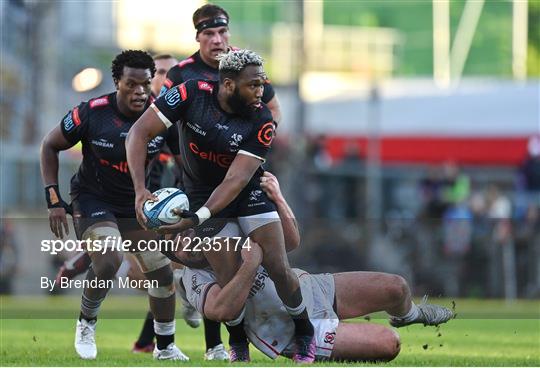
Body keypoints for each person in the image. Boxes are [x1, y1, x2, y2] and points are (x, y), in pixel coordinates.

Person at [126, 49, 316, 363]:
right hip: (200, 195)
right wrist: (139, 191)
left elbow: (235, 180)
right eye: (253, 86)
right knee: (228, 274)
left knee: (279, 265)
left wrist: (195, 219)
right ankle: (237, 340)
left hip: (246, 194)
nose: (261, 93)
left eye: (262, 85)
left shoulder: (262, 119)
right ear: (228, 85)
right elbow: (138, 133)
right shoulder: (188, 94)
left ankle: (305, 331)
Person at [40, 50, 188, 361]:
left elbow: (184, 162)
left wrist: (188, 204)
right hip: (92, 199)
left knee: (161, 272)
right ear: (116, 82)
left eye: (145, 84)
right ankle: (86, 323)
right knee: (109, 258)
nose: (139, 91)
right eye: (131, 84)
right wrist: (53, 199)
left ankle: (165, 346)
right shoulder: (91, 112)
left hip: (136, 205)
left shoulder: (160, 117)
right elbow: (49, 145)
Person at [174, 236, 455, 363]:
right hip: (289, 331)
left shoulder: (226, 229)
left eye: (187, 231)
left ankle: (411, 315)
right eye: (177, 238)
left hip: (312, 287)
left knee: (397, 287)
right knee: (389, 343)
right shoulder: (193, 277)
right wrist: (250, 265)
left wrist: (277, 195)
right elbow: (220, 310)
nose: (187, 241)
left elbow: (292, 240)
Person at [161, 4, 281, 124]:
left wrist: (265, 133)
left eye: (222, 31)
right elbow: (159, 118)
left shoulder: (249, 65)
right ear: (198, 37)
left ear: (229, 33)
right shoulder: (180, 73)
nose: (217, 40)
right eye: (209, 33)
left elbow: (274, 109)